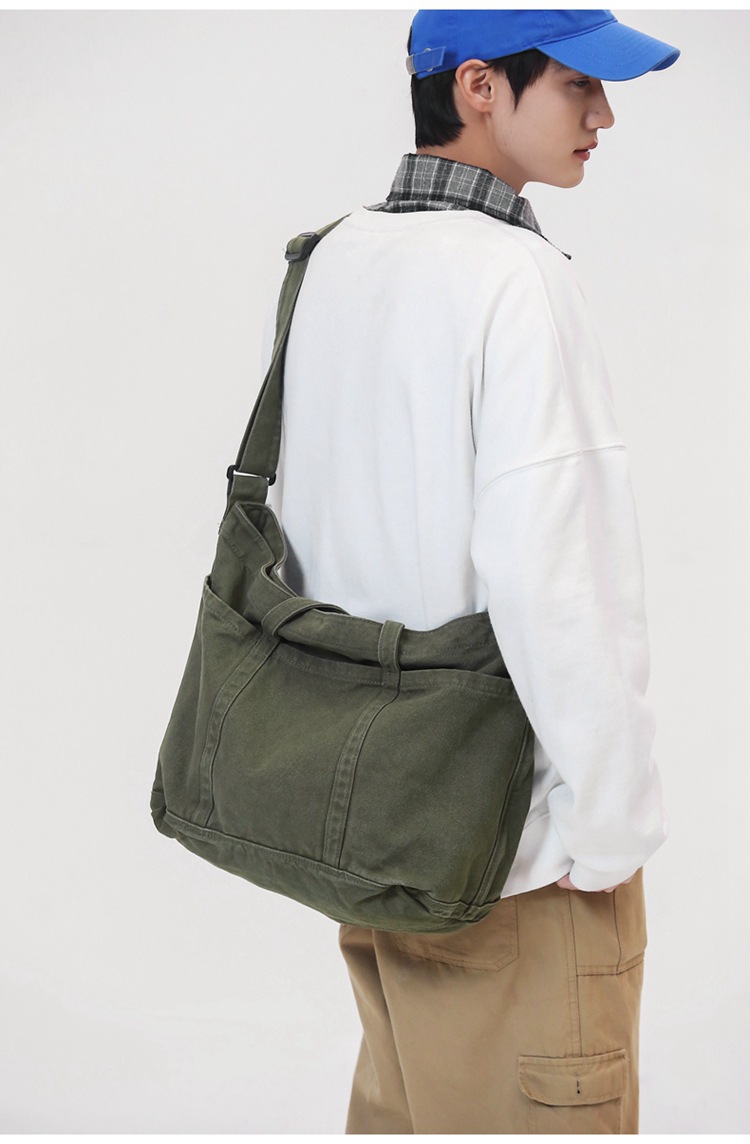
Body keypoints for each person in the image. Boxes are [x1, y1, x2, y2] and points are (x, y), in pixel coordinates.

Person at [265, 9, 679, 1134]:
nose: (604, 115)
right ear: (481, 87)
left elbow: (312, 531)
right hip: (519, 857)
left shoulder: (330, 258)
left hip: (379, 834)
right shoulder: (516, 278)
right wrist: (609, 829)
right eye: (579, 84)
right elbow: (563, 574)